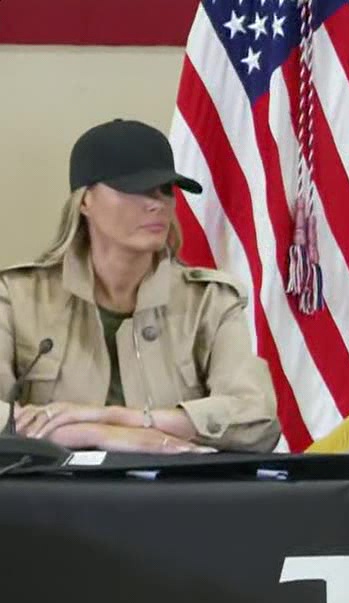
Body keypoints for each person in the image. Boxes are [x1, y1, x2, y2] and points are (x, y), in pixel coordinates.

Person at [0, 119, 280, 453]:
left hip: (170, 498)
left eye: (166, 191)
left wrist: (125, 419)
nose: (157, 204)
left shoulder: (209, 302)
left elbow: (258, 418)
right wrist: (94, 435)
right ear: (85, 201)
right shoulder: (18, 296)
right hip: (52, 500)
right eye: (136, 189)